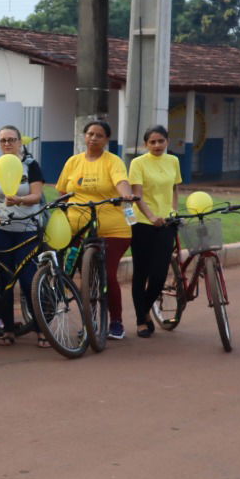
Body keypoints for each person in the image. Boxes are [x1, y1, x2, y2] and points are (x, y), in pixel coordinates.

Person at [56, 119, 137, 341]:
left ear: (106, 140)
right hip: (78, 228)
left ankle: (116, 322)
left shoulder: (113, 161)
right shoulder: (73, 162)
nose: (93, 138)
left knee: (107, 275)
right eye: (90, 134)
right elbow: (62, 191)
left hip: (113, 229)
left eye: (99, 135)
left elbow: (121, 181)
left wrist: (126, 194)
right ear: (84, 136)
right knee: (85, 277)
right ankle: (89, 321)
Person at [0, 125, 45, 346]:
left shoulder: (31, 165)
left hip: (26, 231)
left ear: (20, 142)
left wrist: (19, 199)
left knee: (29, 281)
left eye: (11, 139)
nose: (7, 144)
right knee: (4, 283)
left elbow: (37, 196)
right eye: (3, 140)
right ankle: (8, 330)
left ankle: (41, 329)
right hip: (1, 232)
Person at [127, 125, 180, 339]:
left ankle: (144, 310)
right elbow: (136, 195)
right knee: (141, 272)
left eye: (161, 141)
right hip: (142, 224)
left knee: (158, 276)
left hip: (167, 223)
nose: (157, 145)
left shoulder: (173, 161)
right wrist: (151, 217)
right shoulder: (138, 163)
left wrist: (173, 212)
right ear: (145, 144)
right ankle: (141, 320)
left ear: (167, 141)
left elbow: (175, 189)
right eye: (152, 142)